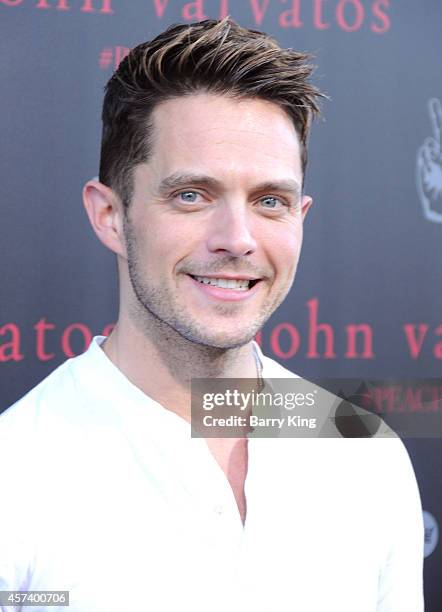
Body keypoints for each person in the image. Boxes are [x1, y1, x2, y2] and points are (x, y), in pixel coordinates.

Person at [0, 18, 424, 612]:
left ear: (301, 216)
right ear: (110, 216)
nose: (237, 239)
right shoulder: (16, 474)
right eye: (191, 195)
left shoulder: (364, 451)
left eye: (269, 201)